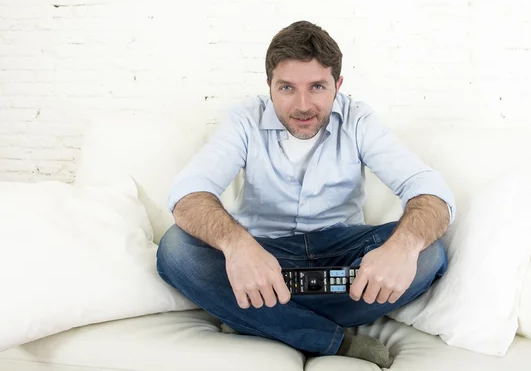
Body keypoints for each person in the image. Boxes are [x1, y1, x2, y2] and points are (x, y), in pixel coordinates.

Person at [156, 20, 455, 368]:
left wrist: (402, 249)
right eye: (286, 88)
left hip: (341, 257)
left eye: (316, 87)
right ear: (269, 85)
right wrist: (238, 247)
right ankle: (329, 338)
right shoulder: (244, 120)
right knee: (176, 248)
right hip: (263, 257)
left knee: (428, 253)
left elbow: (430, 192)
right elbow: (189, 192)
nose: (302, 105)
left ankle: (258, 315)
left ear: (337, 85)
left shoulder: (359, 120)